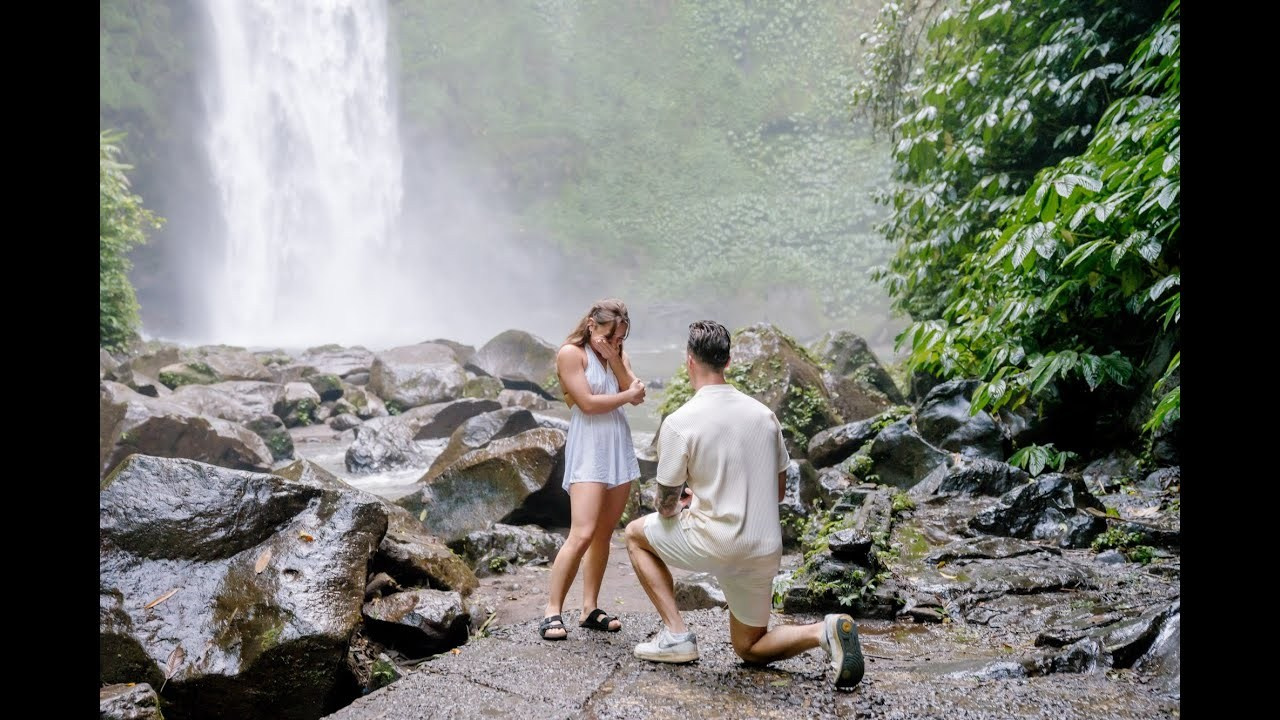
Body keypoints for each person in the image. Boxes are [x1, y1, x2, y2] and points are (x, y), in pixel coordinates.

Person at [623, 320, 865, 689]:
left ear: (689, 361)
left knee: (634, 535)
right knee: (749, 647)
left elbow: (666, 505)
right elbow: (777, 492)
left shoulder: (679, 422)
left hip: (716, 542)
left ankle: (676, 634)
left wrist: (683, 502)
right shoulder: (764, 416)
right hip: (763, 548)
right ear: (728, 361)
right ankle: (824, 631)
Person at [539, 298, 647, 641]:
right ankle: (552, 611)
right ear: (591, 325)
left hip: (617, 445)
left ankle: (589, 608)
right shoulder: (571, 354)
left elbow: (638, 394)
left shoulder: (617, 354)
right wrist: (626, 395)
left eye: (620, 338)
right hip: (589, 446)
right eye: (609, 336)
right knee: (582, 532)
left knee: (603, 533)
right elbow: (587, 403)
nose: (615, 342)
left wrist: (615, 358)